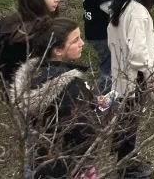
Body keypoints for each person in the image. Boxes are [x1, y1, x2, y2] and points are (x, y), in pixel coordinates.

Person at [9, 18, 96, 179]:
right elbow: (84, 130)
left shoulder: (32, 78)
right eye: (76, 40)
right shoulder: (71, 86)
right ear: (57, 50)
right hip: (71, 164)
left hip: (41, 160)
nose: (82, 43)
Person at [107, 0, 154, 179]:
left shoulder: (120, 4)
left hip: (120, 71)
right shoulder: (136, 12)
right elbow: (138, 52)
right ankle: (126, 166)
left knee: (125, 118)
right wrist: (151, 74)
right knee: (130, 121)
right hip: (134, 76)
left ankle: (123, 156)